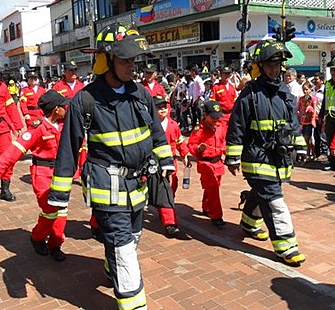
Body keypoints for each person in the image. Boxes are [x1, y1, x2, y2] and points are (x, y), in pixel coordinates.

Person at [48, 23, 174, 310]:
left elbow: (156, 132)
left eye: (133, 60)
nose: (132, 66)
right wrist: (59, 195)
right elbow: (68, 148)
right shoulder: (86, 99)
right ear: (106, 61)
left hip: (138, 185)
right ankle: (133, 304)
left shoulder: (141, 94)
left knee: (133, 238)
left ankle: (111, 264)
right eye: (124, 60)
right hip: (107, 186)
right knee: (123, 247)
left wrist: (165, 159)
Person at [225, 40, 307, 267]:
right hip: (256, 157)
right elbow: (237, 126)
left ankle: (249, 222)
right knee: (274, 201)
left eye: (278, 65)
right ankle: (287, 246)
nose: (274, 69)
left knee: (263, 193)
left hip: (279, 158)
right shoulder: (249, 94)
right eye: (269, 65)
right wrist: (232, 157)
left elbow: (293, 125)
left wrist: (299, 146)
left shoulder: (284, 93)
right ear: (259, 66)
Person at [0, 90, 70, 261]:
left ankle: (55, 245)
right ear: (56, 109)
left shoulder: (65, 124)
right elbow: (16, 149)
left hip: (61, 175)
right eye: (63, 105)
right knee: (50, 211)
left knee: (62, 212)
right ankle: (37, 238)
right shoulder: (38, 127)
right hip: (42, 174)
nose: (66, 107)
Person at [153, 94, 190, 236]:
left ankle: (165, 205)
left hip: (172, 162)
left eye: (164, 106)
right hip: (156, 163)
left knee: (172, 185)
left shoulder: (173, 125)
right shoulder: (150, 124)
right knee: (164, 190)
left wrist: (185, 155)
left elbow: (180, 141)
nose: (162, 109)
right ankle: (169, 221)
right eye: (158, 107)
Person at [0, 61, 24, 201]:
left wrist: (18, 126)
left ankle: (5, 189)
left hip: (1, 128)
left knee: (6, 157)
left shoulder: (2, 87)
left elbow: (10, 107)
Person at [188, 101, 226, 227]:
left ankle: (206, 207)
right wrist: (198, 149)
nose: (216, 119)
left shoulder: (221, 126)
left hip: (218, 163)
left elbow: (224, 141)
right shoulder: (199, 130)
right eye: (213, 116)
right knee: (213, 189)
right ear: (205, 114)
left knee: (212, 188)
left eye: (218, 116)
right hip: (206, 164)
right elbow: (191, 145)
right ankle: (216, 216)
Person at [210, 65, 237, 134]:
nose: (227, 76)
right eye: (225, 73)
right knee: (221, 135)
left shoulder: (232, 87)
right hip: (221, 116)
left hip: (231, 116)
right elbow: (212, 103)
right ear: (221, 74)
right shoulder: (216, 87)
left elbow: (235, 101)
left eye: (229, 74)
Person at [311, 72, 328, 159]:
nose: (314, 81)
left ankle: (324, 152)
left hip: (323, 116)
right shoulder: (312, 89)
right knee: (316, 136)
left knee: (323, 135)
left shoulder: (326, 90)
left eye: (316, 79)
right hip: (314, 117)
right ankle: (317, 153)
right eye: (314, 79)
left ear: (322, 80)